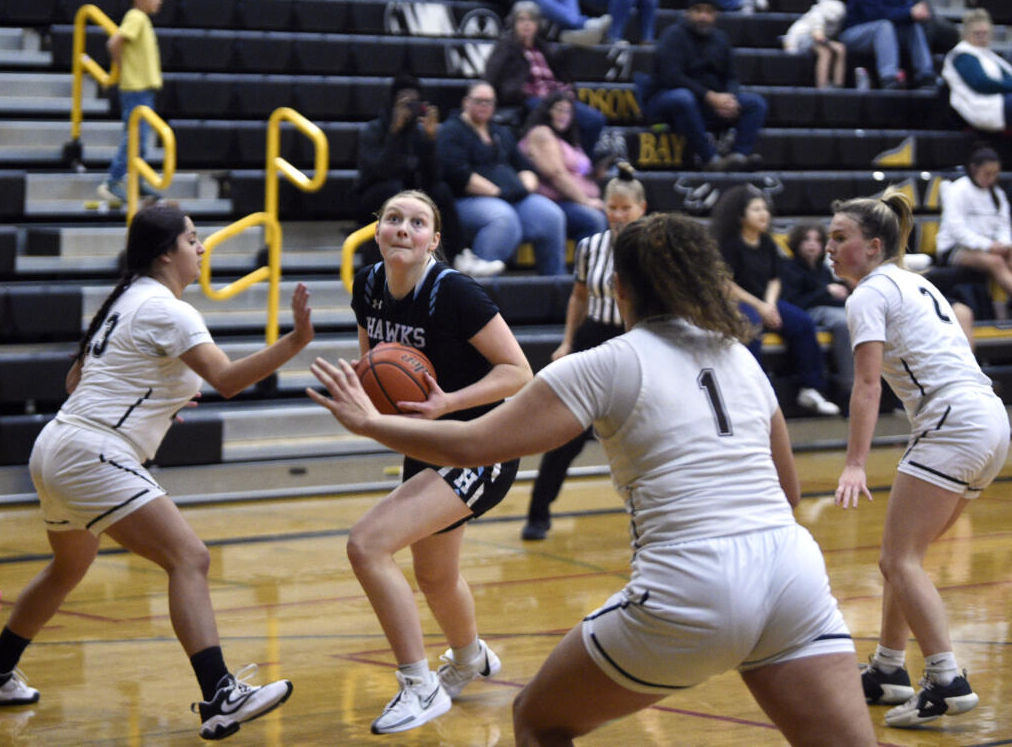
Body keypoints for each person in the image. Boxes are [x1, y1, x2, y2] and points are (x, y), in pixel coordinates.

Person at [307, 211, 878, 747]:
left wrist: (370, 422)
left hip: (692, 580)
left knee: (535, 720)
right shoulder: (740, 355)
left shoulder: (606, 360)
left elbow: (476, 444)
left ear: (621, 289)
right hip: (793, 573)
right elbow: (791, 492)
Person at [0, 205, 308, 738]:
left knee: (68, 568)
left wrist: (156, 395)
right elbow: (227, 380)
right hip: (92, 451)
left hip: (56, 444)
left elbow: (76, 381)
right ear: (166, 253)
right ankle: (221, 694)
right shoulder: (169, 310)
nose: (201, 248)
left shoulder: (127, 301)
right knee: (190, 558)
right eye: (192, 239)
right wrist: (296, 340)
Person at [338, 190, 532, 734]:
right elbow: (375, 361)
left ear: (434, 241)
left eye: (417, 222)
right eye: (393, 219)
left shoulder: (453, 293)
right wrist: (359, 391)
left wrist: (447, 402)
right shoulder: (369, 284)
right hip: (428, 444)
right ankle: (469, 658)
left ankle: (420, 687)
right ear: (378, 231)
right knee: (435, 575)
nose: (403, 228)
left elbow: (519, 372)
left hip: (480, 443)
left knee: (367, 544)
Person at [829, 188, 1009, 728]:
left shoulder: (867, 294)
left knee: (898, 560)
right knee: (903, 556)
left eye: (841, 238)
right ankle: (887, 669)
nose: (831, 249)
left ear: (873, 244)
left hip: (952, 424)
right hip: (990, 420)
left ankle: (947, 679)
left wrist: (855, 462)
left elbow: (866, 387)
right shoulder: (915, 281)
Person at [520, 162, 646, 541]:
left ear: (642, 208)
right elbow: (578, 298)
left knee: (641, 434)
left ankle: (652, 518)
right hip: (593, 337)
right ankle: (537, 513)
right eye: (613, 208)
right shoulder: (590, 247)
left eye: (626, 208)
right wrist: (568, 342)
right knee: (566, 433)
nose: (619, 215)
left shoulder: (651, 249)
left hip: (636, 342)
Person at [711, 185, 841, 415]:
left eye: (765, 209)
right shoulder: (729, 244)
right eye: (756, 209)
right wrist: (760, 306)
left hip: (765, 301)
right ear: (741, 215)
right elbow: (725, 284)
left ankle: (810, 388)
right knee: (750, 326)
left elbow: (775, 279)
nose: (764, 214)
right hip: (736, 303)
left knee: (801, 323)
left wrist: (769, 304)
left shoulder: (768, 243)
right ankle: (752, 393)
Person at [353, 73, 496, 275]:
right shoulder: (373, 130)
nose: (409, 108)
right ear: (392, 103)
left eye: (414, 102)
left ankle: (459, 256)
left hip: (407, 194)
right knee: (394, 191)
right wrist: (395, 133)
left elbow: (433, 177)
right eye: (404, 103)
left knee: (441, 191)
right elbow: (380, 171)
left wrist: (430, 141)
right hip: (374, 196)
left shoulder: (419, 133)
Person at [438, 81, 569, 276]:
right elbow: (458, 174)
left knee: (551, 215)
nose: (484, 106)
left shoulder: (501, 131)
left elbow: (524, 166)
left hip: (511, 197)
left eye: (489, 102)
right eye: (479, 101)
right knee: (503, 218)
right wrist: (498, 192)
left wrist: (526, 185)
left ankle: (554, 283)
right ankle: (478, 287)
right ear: (466, 102)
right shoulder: (451, 131)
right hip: (466, 201)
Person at [643, 0, 767, 172]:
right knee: (683, 98)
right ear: (688, 13)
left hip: (707, 103)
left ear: (715, 15)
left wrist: (729, 98)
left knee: (756, 104)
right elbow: (672, 77)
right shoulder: (673, 36)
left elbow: (731, 76)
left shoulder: (721, 39)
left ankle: (739, 157)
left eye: (708, 11)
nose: (703, 16)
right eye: (698, 10)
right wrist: (709, 96)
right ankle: (711, 159)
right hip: (667, 102)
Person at [484, 1, 607, 158]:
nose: (526, 24)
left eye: (531, 20)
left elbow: (564, 77)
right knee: (554, 114)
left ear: (537, 24)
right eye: (522, 20)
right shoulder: (506, 47)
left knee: (595, 120)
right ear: (514, 23)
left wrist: (568, 91)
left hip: (555, 96)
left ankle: (581, 162)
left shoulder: (545, 48)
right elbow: (491, 77)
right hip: (529, 98)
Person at [98, 0, 165, 205]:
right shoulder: (136, 17)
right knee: (134, 138)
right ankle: (113, 181)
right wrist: (122, 66)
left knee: (141, 139)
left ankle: (135, 180)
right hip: (136, 90)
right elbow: (114, 42)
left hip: (143, 90)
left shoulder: (141, 19)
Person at [838, 0, 940, 90]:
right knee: (884, 26)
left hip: (884, 34)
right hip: (854, 34)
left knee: (912, 26)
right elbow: (873, 15)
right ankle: (889, 77)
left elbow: (906, 8)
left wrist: (916, 13)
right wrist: (909, 13)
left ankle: (926, 75)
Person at [518, 92, 609, 242]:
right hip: (554, 202)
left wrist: (594, 174)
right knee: (594, 219)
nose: (563, 115)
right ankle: (586, 265)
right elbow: (557, 175)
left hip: (575, 200)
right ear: (547, 112)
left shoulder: (568, 140)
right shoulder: (541, 133)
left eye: (568, 111)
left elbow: (577, 172)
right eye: (558, 109)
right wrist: (586, 202)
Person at [936, 146, 1012, 318]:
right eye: (987, 173)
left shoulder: (997, 193)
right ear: (974, 168)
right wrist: (988, 246)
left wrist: (1005, 244)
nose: (991, 178)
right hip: (954, 249)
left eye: (994, 174)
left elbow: (1004, 225)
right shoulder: (957, 189)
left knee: (1009, 254)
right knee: (996, 262)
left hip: (990, 247)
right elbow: (956, 229)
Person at [781, 222, 854, 399]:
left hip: (826, 313)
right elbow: (793, 303)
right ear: (797, 243)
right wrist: (826, 291)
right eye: (806, 239)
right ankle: (849, 387)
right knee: (844, 323)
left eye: (817, 240)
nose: (812, 244)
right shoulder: (788, 268)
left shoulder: (823, 270)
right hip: (805, 316)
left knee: (860, 316)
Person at [942, 8, 1012, 133]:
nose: (981, 37)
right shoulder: (963, 54)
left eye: (984, 33)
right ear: (966, 33)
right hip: (980, 106)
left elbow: (1007, 77)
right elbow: (981, 83)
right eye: (977, 33)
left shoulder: (987, 54)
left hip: (997, 101)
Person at [782, 0, 847, 89]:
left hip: (813, 40)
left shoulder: (838, 19)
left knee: (840, 50)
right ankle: (822, 86)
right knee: (825, 52)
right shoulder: (817, 14)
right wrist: (833, 45)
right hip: (799, 39)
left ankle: (838, 85)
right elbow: (818, 36)